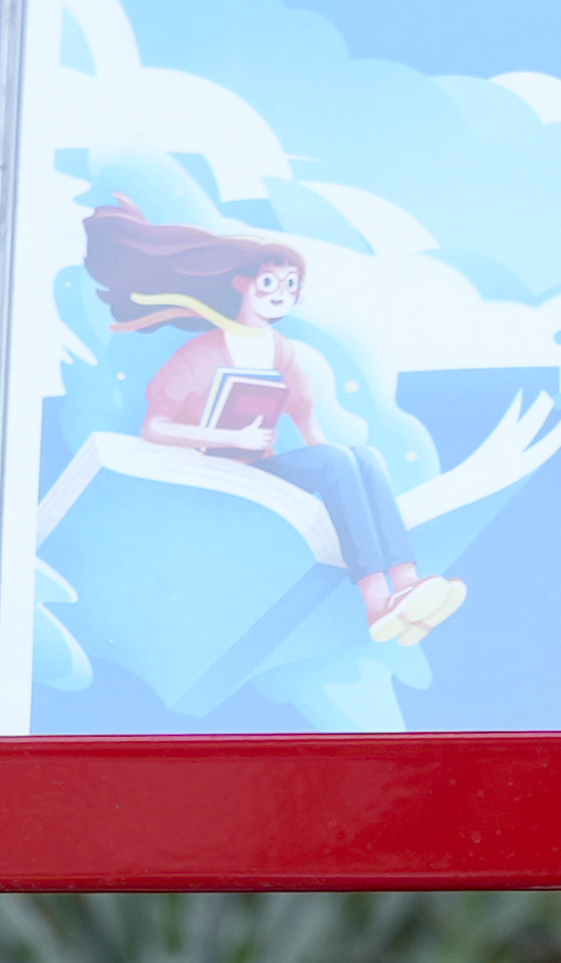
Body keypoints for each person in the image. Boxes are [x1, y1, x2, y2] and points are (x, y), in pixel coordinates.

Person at [80, 199, 464, 647]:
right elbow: (154, 428)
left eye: (290, 284)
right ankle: (376, 601)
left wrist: (339, 471)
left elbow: (306, 419)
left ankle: (407, 582)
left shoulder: (279, 348)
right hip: (214, 475)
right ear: (242, 285)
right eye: (268, 282)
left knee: (365, 457)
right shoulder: (202, 354)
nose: (280, 293)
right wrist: (231, 435)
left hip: (260, 470)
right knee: (338, 461)